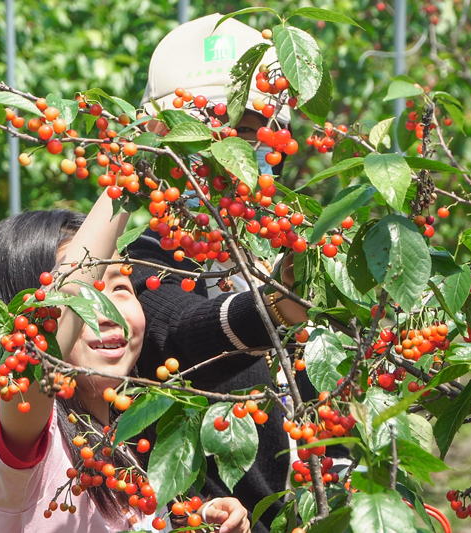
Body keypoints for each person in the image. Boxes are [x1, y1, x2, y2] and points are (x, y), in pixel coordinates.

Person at [0, 194, 251, 533]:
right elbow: (45, 347)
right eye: (90, 292)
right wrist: (123, 178)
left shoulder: (124, 442)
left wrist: (195, 519)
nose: (107, 314)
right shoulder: (15, 434)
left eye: (120, 287)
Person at [128, 13, 321, 533]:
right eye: (210, 132)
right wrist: (281, 303)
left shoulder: (275, 251)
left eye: (251, 134)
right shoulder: (142, 261)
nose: (230, 152)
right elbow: (180, 333)